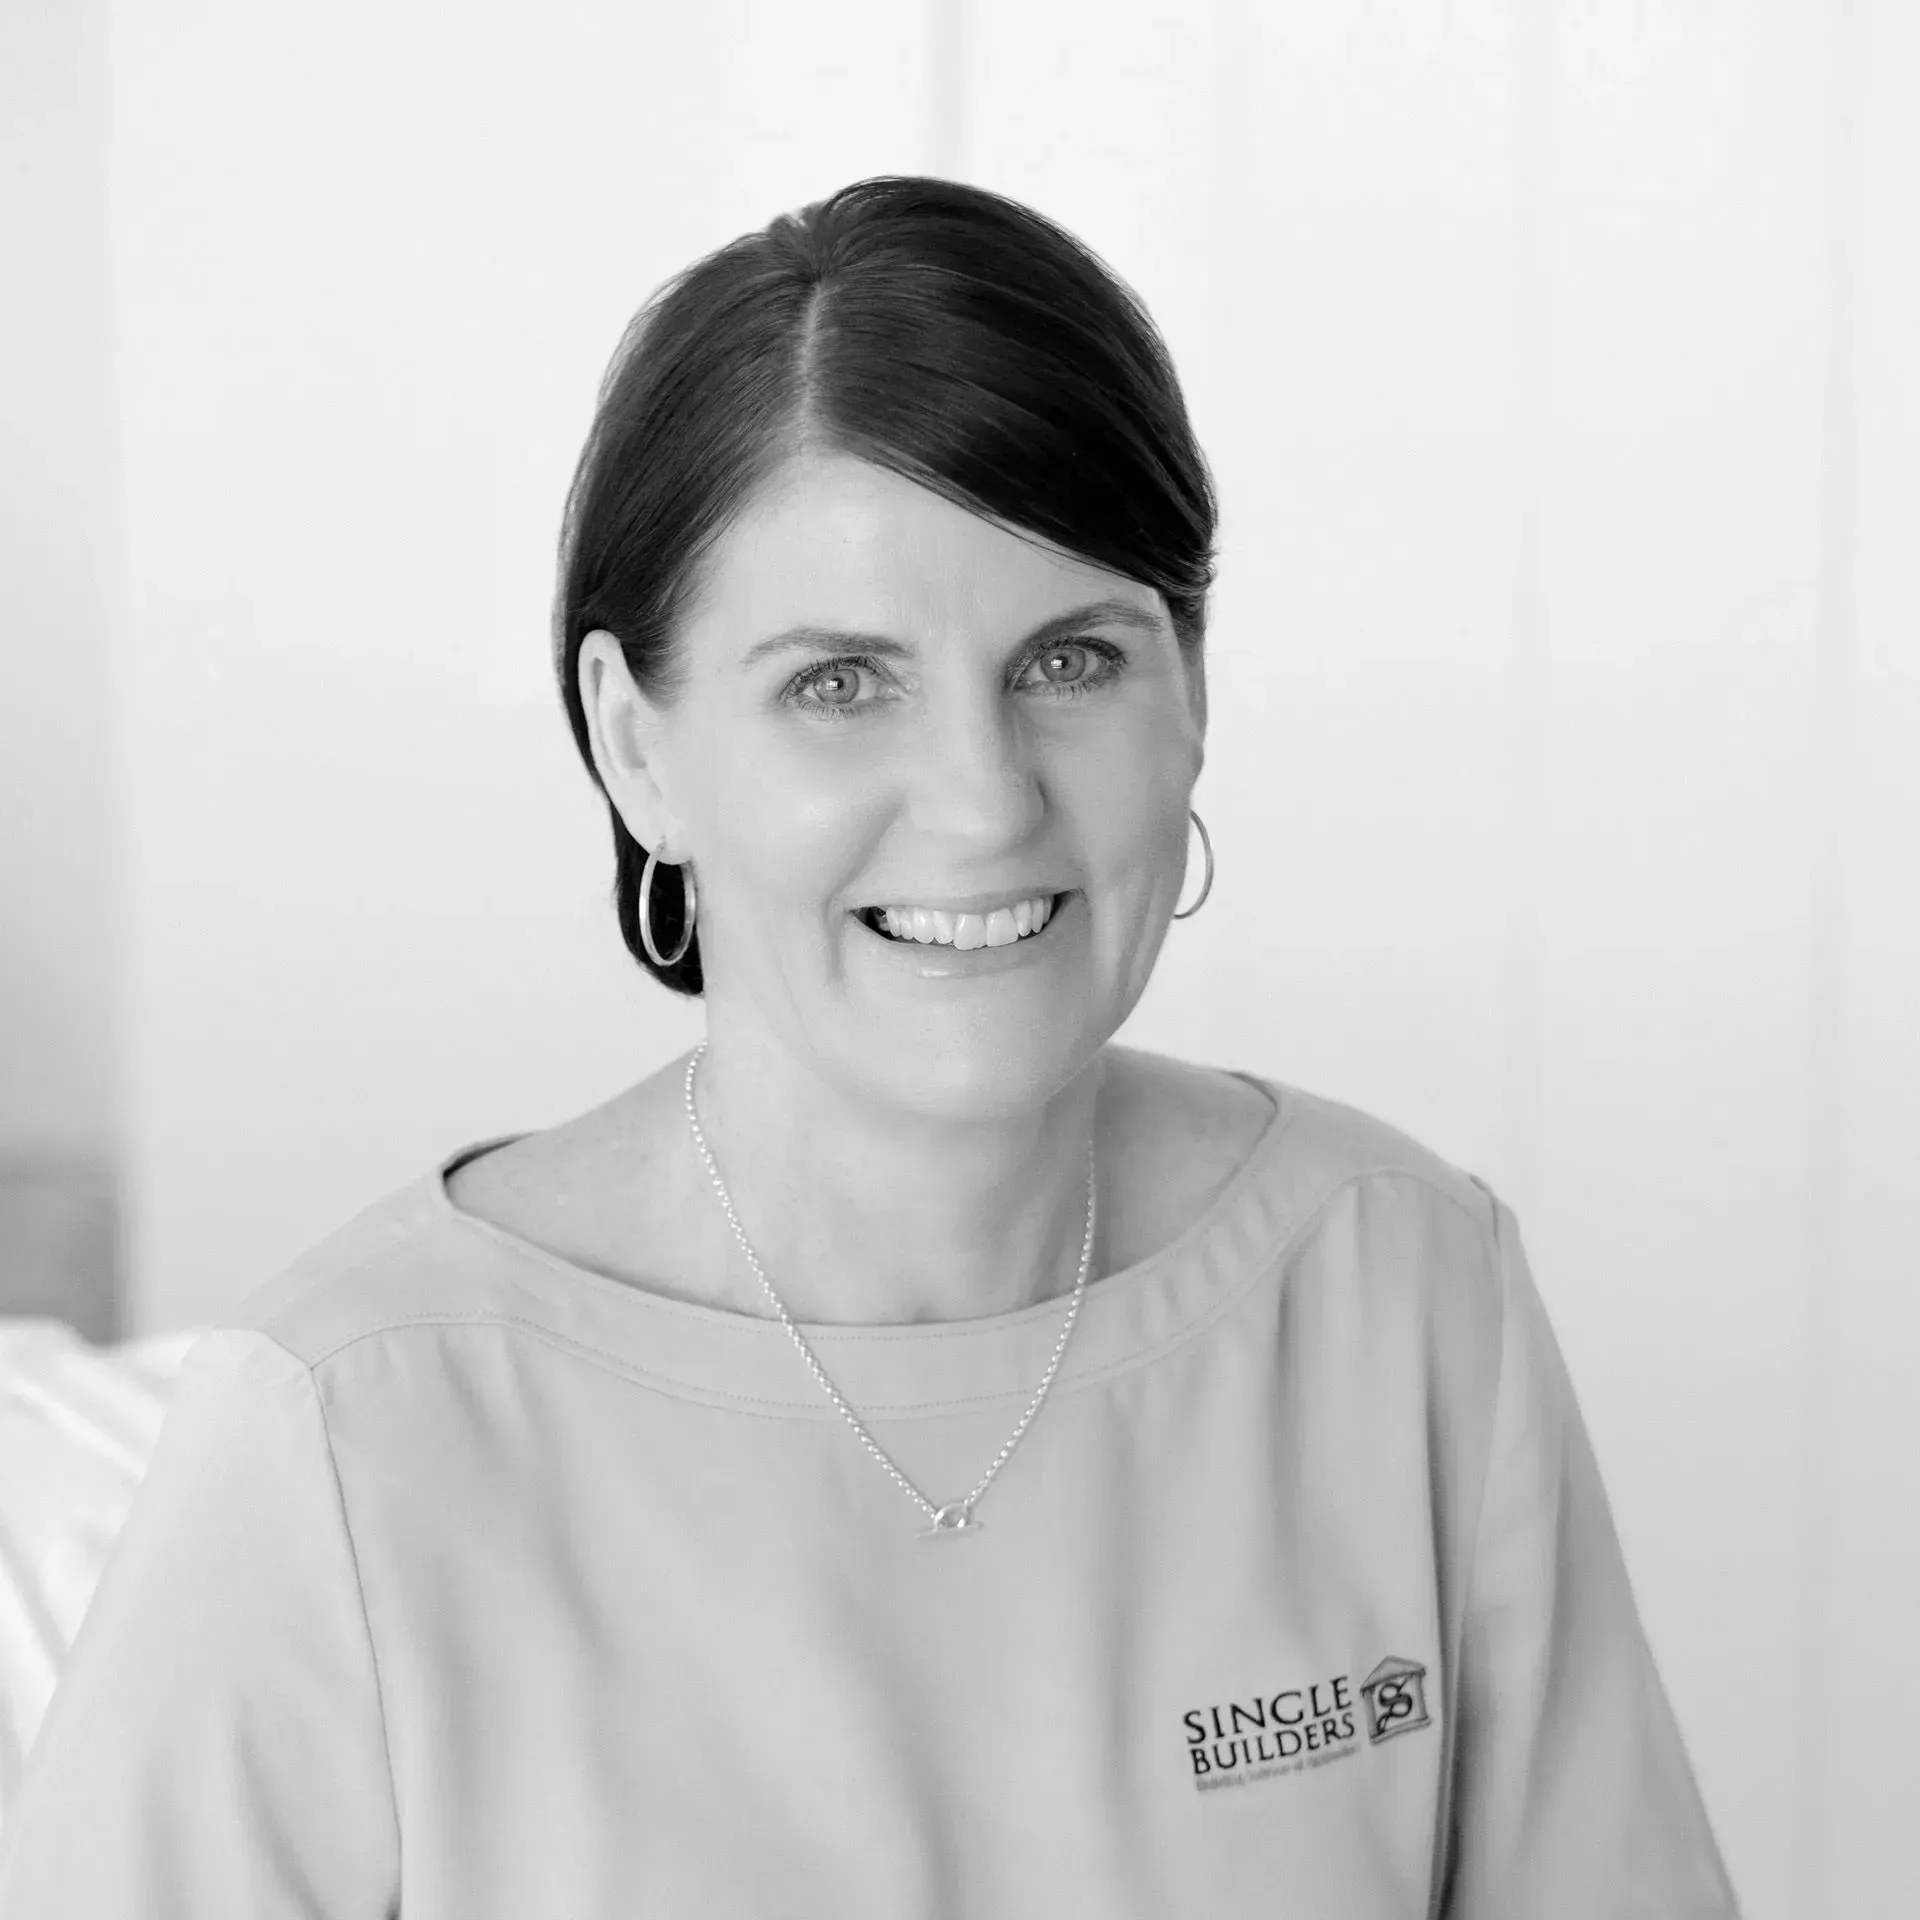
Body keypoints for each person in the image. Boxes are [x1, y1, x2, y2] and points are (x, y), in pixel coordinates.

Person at [0, 175, 1742, 1918]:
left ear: (1194, 691)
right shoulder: (338, 1435)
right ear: (635, 746)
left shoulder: (1408, 1291)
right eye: (841, 682)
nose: (984, 802)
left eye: (1072, 659)